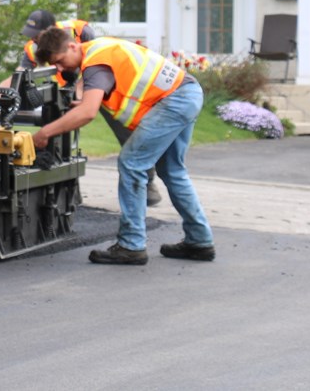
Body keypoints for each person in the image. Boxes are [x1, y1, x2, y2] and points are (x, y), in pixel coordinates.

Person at [31, 27, 214, 265]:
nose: (60, 69)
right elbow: (99, 84)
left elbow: (88, 112)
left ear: (73, 47)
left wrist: (44, 133)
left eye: (60, 62)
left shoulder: (95, 64)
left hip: (174, 101)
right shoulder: (99, 49)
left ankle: (131, 245)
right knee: (172, 171)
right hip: (186, 91)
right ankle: (199, 241)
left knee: (132, 164)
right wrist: (82, 90)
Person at [18, 9, 164, 208]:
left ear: (52, 30)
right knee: (56, 127)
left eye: (37, 35)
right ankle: (62, 185)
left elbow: (93, 61)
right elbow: (19, 74)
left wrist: (81, 92)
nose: (34, 39)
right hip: (66, 92)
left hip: (101, 88)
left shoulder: (80, 31)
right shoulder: (34, 49)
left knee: (126, 132)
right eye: (31, 35)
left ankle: (147, 183)